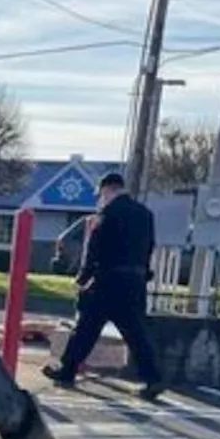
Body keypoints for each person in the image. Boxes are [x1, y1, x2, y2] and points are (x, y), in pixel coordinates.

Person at [42, 171, 165, 401]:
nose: (100, 198)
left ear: (107, 190)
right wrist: (144, 272)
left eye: (101, 194)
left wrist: (82, 277)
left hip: (107, 280)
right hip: (134, 282)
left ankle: (67, 371)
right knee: (137, 334)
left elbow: (95, 249)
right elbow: (149, 246)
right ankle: (153, 379)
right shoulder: (145, 214)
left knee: (86, 328)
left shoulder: (107, 213)